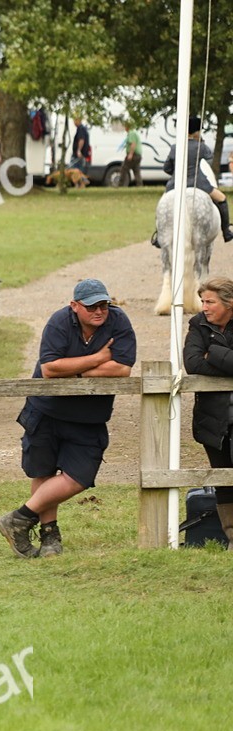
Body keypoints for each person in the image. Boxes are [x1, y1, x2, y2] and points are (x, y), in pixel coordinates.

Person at [0, 279, 137, 558]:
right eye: (91, 306)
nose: (99, 311)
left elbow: (122, 368)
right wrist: (98, 358)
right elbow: (50, 368)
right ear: (74, 306)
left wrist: (75, 371)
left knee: (79, 477)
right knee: (44, 471)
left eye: (103, 305)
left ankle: (18, 519)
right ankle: (49, 536)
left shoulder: (118, 321)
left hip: (89, 416)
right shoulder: (58, 322)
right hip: (46, 408)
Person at [184, 276, 233, 548]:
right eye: (203, 301)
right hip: (212, 420)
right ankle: (232, 537)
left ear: (229, 303)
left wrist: (212, 352)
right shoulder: (198, 324)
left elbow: (203, 358)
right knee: (223, 479)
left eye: (210, 302)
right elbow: (192, 363)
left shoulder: (207, 337)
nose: (204, 307)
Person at [160, 116, 233, 243]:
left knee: (163, 205)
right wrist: (201, 142)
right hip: (199, 184)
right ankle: (226, 231)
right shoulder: (201, 146)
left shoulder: (175, 147)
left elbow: (166, 168)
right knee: (222, 198)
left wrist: (177, 173)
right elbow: (209, 157)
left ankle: (159, 234)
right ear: (196, 132)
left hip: (176, 184)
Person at [119, 121, 143, 188]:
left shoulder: (131, 133)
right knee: (136, 171)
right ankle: (139, 185)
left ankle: (121, 185)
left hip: (134, 155)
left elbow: (133, 144)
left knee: (124, 169)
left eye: (125, 126)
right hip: (138, 155)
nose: (124, 128)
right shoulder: (134, 132)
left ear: (127, 127)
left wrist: (130, 154)